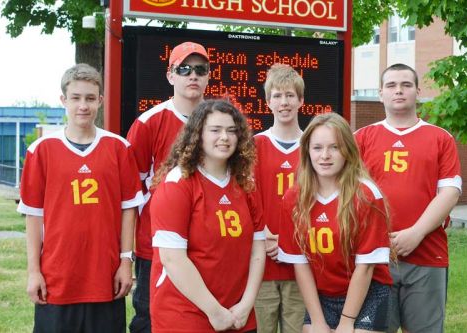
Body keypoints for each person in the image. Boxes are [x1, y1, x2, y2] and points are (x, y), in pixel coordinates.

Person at [17, 63, 144, 332]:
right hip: (57, 277)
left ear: (100, 100)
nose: (83, 106)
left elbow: (128, 211)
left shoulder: (119, 148)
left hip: (105, 276)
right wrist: (33, 271)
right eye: (75, 98)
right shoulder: (41, 150)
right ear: (63, 100)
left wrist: (125, 261)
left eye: (89, 98)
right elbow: (34, 216)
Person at [355, 63, 462, 333]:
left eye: (406, 85)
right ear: (381, 93)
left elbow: (449, 192)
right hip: (375, 256)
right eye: (391, 85)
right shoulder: (361, 138)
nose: (398, 91)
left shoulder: (440, 138)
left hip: (427, 253)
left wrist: (416, 233)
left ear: (418, 91)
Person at [148, 99, 266, 332]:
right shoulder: (178, 183)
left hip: (237, 314)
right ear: (197, 135)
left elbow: (257, 248)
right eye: (215, 130)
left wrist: (246, 303)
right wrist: (214, 311)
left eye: (232, 131)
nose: (225, 137)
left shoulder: (245, 183)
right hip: (186, 314)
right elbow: (173, 259)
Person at [278, 113, 393, 333]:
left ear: (348, 151)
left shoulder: (367, 195)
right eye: (317, 148)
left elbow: (366, 266)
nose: (325, 156)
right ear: (307, 151)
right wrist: (318, 321)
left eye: (334, 147)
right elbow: (300, 264)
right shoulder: (294, 198)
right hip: (322, 295)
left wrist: (347, 322)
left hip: (367, 291)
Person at [126, 41, 210, 332]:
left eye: (200, 69)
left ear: (208, 76)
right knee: (151, 318)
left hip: (209, 244)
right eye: (184, 68)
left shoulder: (219, 122)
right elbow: (132, 193)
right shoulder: (149, 123)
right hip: (159, 245)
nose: (193, 75)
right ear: (170, 75)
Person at [253, 63, 305, 333]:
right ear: (268, 102)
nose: (284, 102)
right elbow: (247, 200)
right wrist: (264, 236)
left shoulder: (313, 145)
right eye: (277, 96)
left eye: (290, 95)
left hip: (301, 260)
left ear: (301, 100)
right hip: (262, 260)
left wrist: (288, 240)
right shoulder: (254, 145)